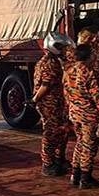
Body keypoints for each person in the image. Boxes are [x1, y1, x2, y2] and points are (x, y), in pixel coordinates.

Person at [63, 43, 99, 189]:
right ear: (89, 56)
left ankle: (75, 174)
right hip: (89, 115)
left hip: (74, 113)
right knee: (89, 146)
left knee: (80, 142)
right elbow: (98, 97)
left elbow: (65, 93)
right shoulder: (89, 72)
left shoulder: (69, 71)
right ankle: (85, 177)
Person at [32, 32, 74, 177]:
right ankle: (48, 164)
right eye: (62, 47)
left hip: (56, 102)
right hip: (49, 103)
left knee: (61, 131)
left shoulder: (53, 60)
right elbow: (46, 85)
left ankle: (58, 160)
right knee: (51, 132)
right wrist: (35, 99)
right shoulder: (50, 63)